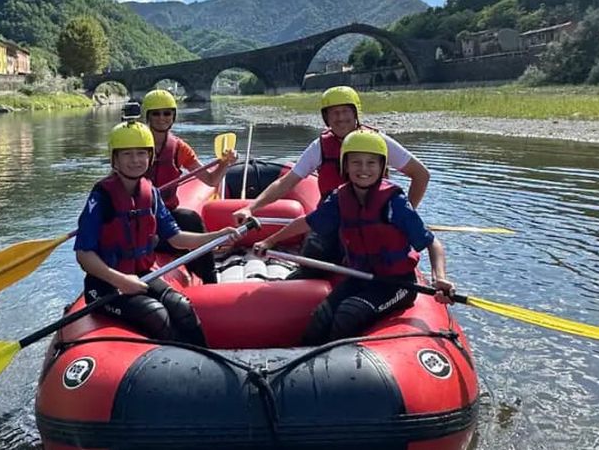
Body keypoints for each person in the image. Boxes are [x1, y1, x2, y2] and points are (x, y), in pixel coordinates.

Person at [252, 129, 453, 344]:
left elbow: (433, 243)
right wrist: (270, 240)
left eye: (371, 163)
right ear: (345, 166)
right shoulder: (341, 197)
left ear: (382, 167)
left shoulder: (395, 204)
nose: (364, 169)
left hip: (397, 284)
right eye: (356, 163)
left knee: (348, 314)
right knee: (320, 319)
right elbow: (307, 222)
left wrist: (439, 277)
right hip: (361, 277)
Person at [74, 120, 241, 346]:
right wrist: (120, 280)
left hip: (145, 274)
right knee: (155, 314)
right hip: (103, 287)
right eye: (127, 154)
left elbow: (177, 238)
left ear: (150, 157)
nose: (135, 160)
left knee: (182, 308)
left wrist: (216, 236)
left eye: (141, 153)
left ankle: (208, 359)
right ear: (115, 159)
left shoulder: (150, 194)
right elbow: (84, 254)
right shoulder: (101, 197)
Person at [232, 86, 430, 275]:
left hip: (370, 223)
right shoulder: (320, 146)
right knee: (313, 260)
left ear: (355, 114)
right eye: (334, 113)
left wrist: (399, 216)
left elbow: (421, 175)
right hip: (332, 218)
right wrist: (252, 207)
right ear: (326, 117)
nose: (341, 118)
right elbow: (286, 182)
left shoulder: (378, 142)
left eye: (345, 111)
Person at [142, 88, 238, 283]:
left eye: (167, 113)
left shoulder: (179, 148)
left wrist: (224, 164)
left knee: (190, 219)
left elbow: (211, 180)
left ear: (173, 116)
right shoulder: (135, 146)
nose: (162, 118)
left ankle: (209, 278)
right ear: (148, 117)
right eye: (156, 114)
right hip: (138, 215)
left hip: (165, 215)